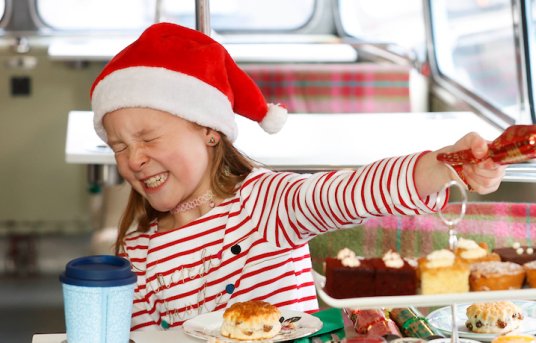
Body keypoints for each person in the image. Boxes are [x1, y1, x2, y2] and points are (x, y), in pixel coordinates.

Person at [92, 23, 506, 331]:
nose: (135, 159)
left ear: (208, 130)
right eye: (120, 147)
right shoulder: (139, 250)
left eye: (147, 138)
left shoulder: (266, 204)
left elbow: (347, 194)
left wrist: (441, 166)